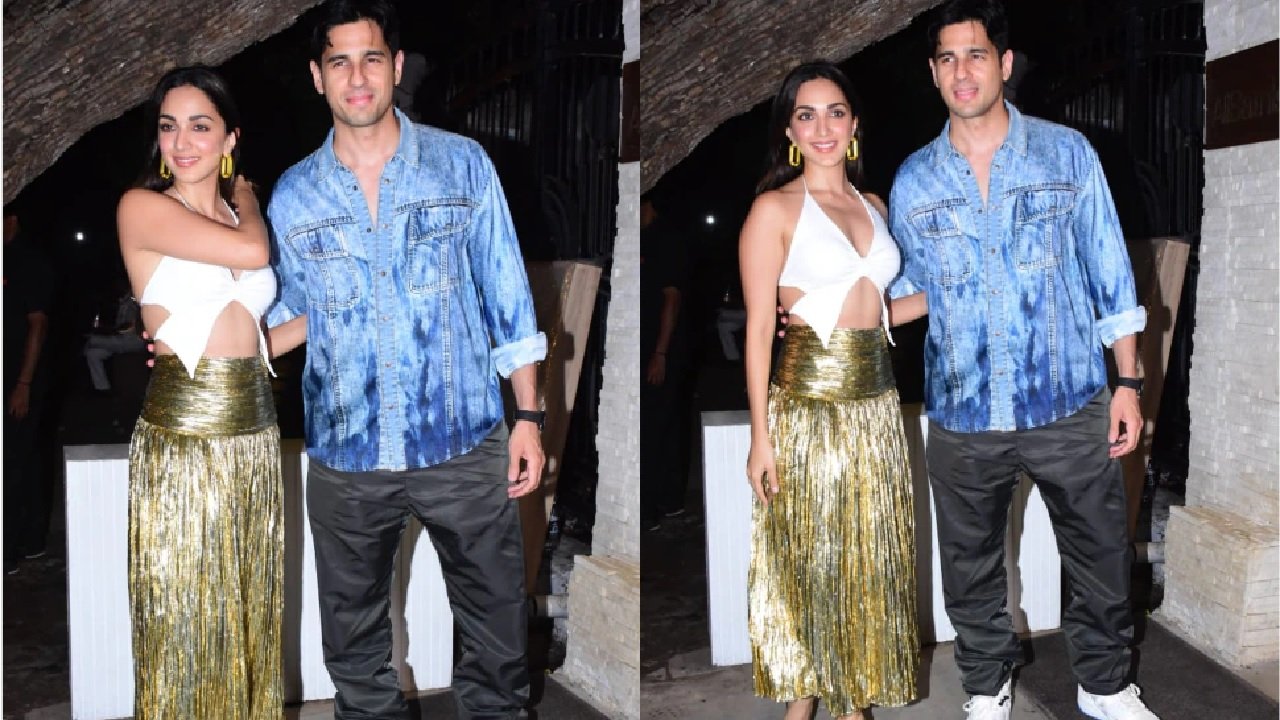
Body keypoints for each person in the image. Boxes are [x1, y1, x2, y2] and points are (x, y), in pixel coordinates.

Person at [264, 2, 546, 718]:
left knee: (498, 634)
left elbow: (509, 300)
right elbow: (282, 314)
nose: (356, 77)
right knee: (353, 649)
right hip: (346, 458)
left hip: (463, 446)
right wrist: (200, 345)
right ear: (317, 76)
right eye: (339, 61)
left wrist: (529, 417)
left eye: (370, 58)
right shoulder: (294, 194)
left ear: (395, 66)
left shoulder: (462, 164)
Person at [887, 2, 1158, 719]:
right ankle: (986, 688)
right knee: (969, 568)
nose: (962, 71)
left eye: (975, 54)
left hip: (1068, 402)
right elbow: (907, 289)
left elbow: (1110, 275)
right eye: (947, 58)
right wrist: (831, 306)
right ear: (933, 73)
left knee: (1100, 555)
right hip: (962, 412)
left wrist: (1128, 383)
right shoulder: (915, 179)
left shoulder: (1066, 154)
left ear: (1004, 64)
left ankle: (1104, 686)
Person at [739, 61, 927, 720]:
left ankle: (832, 705)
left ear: (854, 124)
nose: (823, 127)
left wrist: (947, 295)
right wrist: (761, 438)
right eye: (806, 114)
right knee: (816, 564)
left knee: (869, 566)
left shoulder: (874, 206)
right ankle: (825, 707)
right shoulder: (773, 209)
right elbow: (759, 330)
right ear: (790, 131)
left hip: (875, 408)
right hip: (809, 409)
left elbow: (877, 312)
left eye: (835, 112)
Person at [117, 66, 299, 718]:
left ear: (229, 137)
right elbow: (252, 254)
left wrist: (330, 317)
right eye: (170, 126)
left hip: (252, 439)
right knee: (188, 628)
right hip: (186, 447)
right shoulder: (145, 208)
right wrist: (246, 192)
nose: (182, 141)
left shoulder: (226, 217)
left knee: (246, 620)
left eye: (200, 125)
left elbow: (251, 342)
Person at [4, 207, 56, 574]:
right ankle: (31, 540)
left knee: (14, 461)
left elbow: (38, 325)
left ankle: (10, 551)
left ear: (12, 220)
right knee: (24, 456)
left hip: (22, 378)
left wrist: (23, 384)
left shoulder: (30, 262)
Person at [640, 194, 690, 529]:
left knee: (655, 427)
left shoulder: (666, 239)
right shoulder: (642, 237)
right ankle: (668, 500)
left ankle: (651, 510)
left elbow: (672, 300)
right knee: (662, 425)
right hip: (649, 347)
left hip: (662, 350)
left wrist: (660, 353)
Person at [83, 286, 147, 392]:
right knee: (92, 353)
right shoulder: (123, 301)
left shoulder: (133, 301)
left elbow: (127, 326)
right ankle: (103, 389)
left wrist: (110, 331)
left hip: (134, 341)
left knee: (91, 340)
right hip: (121, 341)